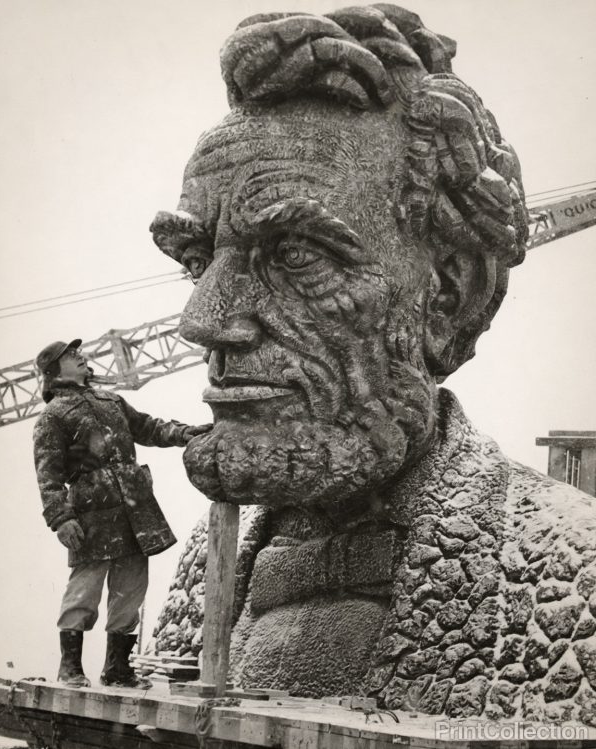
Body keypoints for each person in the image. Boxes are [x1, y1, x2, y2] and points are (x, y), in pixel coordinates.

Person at [148, 5, 596, 725]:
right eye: (197, 260)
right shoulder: (211, 557)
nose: (200, 319)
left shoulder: (575, 583)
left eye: (296, 254)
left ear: (448, 292)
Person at [33, 338, 210, 688]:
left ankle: (117, 670)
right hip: (91, 514)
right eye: (72, 356)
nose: (82, 357)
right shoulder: (53, 416)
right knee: (84, 592)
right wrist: (61, 518)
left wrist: (186, 433)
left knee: (130, 591)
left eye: (79, 353)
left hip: (135, 511)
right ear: (54, 371)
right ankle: (70, 668)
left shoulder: (111, 401)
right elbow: (47, 473)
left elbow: (148, 428)